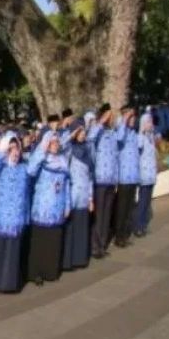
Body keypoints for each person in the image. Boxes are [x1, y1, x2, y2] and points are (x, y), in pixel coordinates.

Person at [0, 134, 31, 294]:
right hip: (2, 217)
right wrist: (1, 155)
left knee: (13, 252)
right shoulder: (0, 167)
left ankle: (10, 284)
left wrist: (26, 215)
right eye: (11, 149)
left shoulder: (24, 168)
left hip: (17, 217)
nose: (15, 152)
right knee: (1, 251)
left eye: (17, 148)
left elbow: (27, 193)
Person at [26, 132, 72, 285]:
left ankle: (50, 271)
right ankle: (36, 273)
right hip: (42, 207)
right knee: (40, 241)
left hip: (57, 207)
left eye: (56, 143)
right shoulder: (40, 159)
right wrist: (41, 150)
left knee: (53, 241)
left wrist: (67, 204)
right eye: (51, 143)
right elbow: (30, 171)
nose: (55, 145)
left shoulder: (63, 161)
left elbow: (66, 185)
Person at [87, 105, 119, 258]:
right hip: (99, 180)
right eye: (108, 116)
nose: (110, 118)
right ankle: (95, 247)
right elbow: (90, 138)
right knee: (99, 216)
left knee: (107, 215)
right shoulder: (96, 131)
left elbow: (116, 158)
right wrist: (101, 121)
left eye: (110, 116)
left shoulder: (112, 133)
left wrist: (116, 178)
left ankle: (103, 245)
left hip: (110, 180)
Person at [63, 124, 94, 271]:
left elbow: (90, 177)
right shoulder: (70, 150)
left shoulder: (87, 151)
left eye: (83, 132)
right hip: (72, 195)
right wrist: (72, 132)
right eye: (80, 133)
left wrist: (90, 198)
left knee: (82, 228)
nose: (82, 135)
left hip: (83, 196)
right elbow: (63, 144)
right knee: (71, 229)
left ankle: (80, 259)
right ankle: (68, 261)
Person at [112, 107, 140, 248]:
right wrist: (124, 119)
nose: (132, 119)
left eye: (133, 117)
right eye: (130, 117)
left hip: (133, 177)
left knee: (129, 209)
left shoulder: (134, 133)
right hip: (123, 177)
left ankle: (125, 234)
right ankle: (119, 236)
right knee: (121, 209)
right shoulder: (120, 130)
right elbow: (118, 138)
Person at [134, 112, 159, 237]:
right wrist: (141, 132)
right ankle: (138, 226)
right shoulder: (140, 137)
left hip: (151, 175)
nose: (151, 124)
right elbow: (137, 148)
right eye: (148, 122)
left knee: (147, 202)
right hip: (144, 175)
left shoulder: (151, 137)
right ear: (143, 123)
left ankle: (143, 225)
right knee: (142, 202)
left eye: (151, 122)